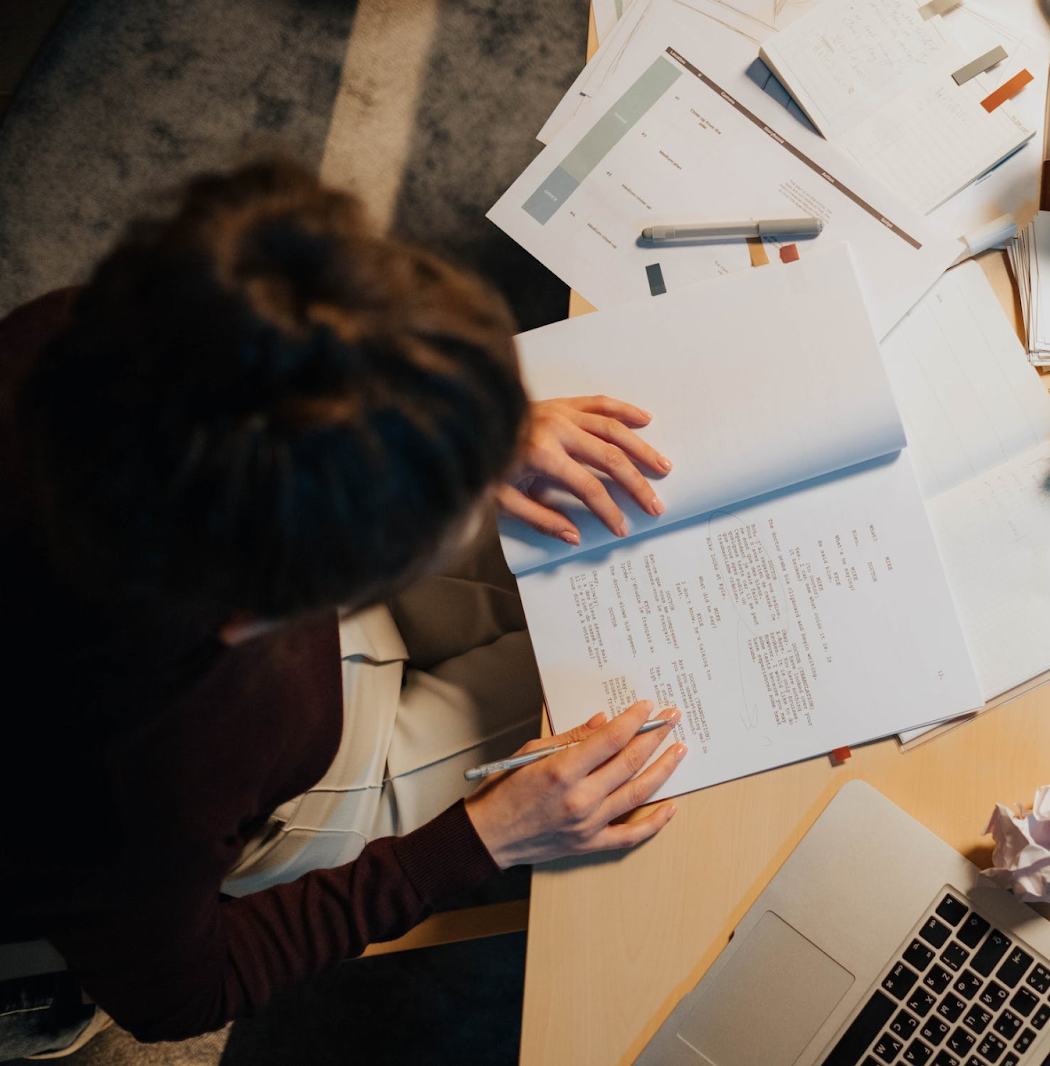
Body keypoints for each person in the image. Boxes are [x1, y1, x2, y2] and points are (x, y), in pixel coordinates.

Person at [0, 159, 685, 1053]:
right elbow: (181, 997)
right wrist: (480, 841)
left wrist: (470, 412)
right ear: (282, 607)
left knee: (589, 583)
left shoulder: (93, 340)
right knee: (627, 685)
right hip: (252, 799)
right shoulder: (135, 784)